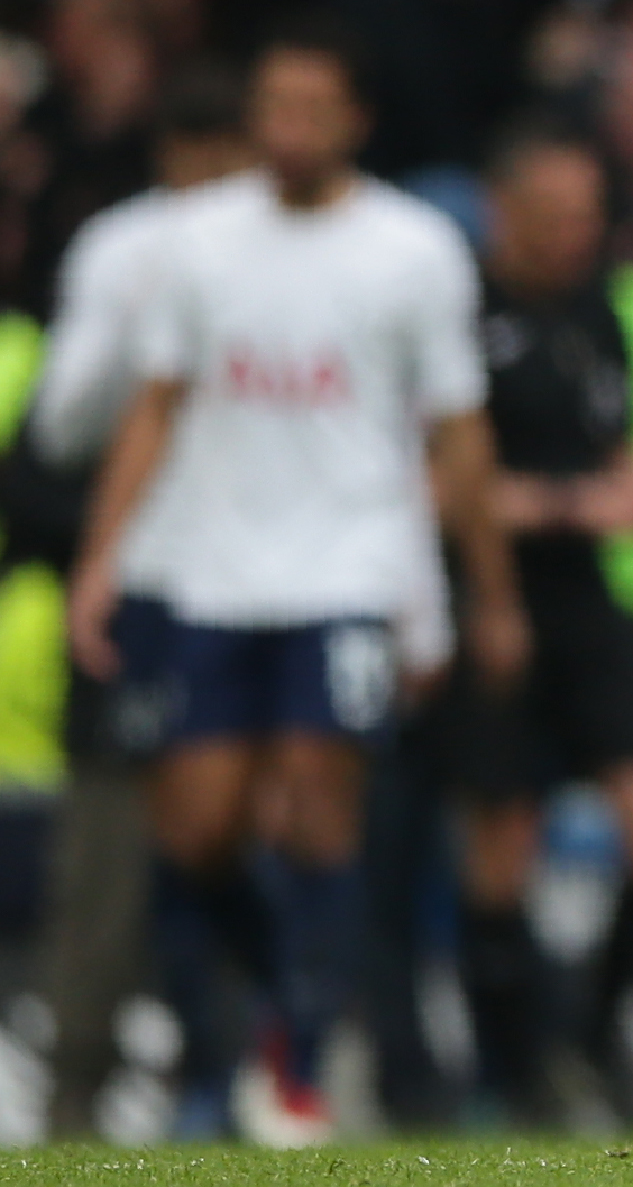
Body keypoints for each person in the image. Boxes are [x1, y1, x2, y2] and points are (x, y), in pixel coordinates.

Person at [62, 25, 525, 1146]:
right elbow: (156, 407)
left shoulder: (414, 249)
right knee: (201, 831)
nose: (285, 130)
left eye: (310, 109)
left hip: (348, 565)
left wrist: (483, 592)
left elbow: (459, 435)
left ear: (355, 120)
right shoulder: (200, 244)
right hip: (213, 573)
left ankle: (300, 1067)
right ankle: (261, 1016)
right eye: (272, 106)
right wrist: (101, 558)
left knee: (321, 794)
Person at [440, 125, 633, 1133]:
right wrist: (580, 503)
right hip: (487, 600)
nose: (575, 235)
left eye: (587, 216)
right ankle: (509, 1076)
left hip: (589, 602)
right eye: (554, 217)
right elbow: (449, 484)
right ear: (503, 211)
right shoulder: (458, 316)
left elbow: (620, 449)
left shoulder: (604, 312)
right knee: (501, 849)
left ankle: (602, 1034)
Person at [20, 61, 251, 1136]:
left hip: (260, 583)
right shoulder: (125, 251)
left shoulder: (307, 256)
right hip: (146, 579)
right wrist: (146, 335)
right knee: (109, 852)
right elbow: (62, 426)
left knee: (256, 835)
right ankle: (73, 1093)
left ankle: (238, 1082)